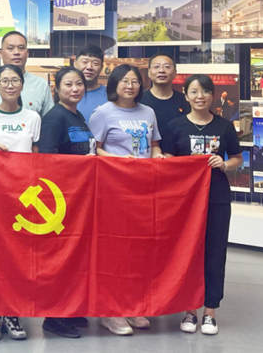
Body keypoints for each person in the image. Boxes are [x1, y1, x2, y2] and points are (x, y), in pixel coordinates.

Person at [164, 74, 242, 336]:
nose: (200, 96)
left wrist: (225, 164)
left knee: (215, 253)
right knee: (188, 253)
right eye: (194, 91)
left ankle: (210, 312)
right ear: (186, 96)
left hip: (217, 198)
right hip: (185, 201)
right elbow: (167, 158)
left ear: (212, 96)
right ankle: (190, 309)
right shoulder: (175, 126)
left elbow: (238, 158)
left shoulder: (224, 126)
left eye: (205, 91)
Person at [88, 64, 162, 335]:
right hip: (113, 189)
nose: (130, 86)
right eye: (124, 81)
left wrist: (158, 158)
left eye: (135, 81)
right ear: (114, 84)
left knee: (137, 250)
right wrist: (119, 161)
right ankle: (110, 312)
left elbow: (154, 145)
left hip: (143, 191)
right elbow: (93, 150)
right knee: (114, 251)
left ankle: (131, 306)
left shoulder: (148, 112)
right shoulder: (102, 113)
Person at [0, 64, 40, 341]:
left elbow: (36, 157)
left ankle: (14, 312)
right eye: (4, 81)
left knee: (21, 256)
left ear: (22, 85)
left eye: (15, 80)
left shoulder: (33, 118)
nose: (10, 85)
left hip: (25, 197)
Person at [38, 67, 96, 339]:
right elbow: (48, 161)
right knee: (60, 259)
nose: (75, 89)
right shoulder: (54, 118)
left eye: (79, 84)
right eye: (69, 84)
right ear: (57, 88)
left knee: (75, 257)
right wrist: (81, 165)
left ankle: (69, 309)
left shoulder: (78, 115)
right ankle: (54, 317)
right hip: (62, 199)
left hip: (79, 198)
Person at [0, 31, 54, 117]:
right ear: (1, 54)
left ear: (27, 53)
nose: (16, 52)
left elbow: (49, 121)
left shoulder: (41, 84)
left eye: (21, 48)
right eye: (10, 48)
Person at [140, 53, 190, 151]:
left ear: (175, 72)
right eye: (156, 67)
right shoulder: (139, 101)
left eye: (167, 67)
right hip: (146, 155)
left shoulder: (186, 101)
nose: (161, 70)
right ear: (149, 72)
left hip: (179, 156)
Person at [74, 45, 107, 122]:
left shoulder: (111, 95)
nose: (89, 67)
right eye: (85, 62)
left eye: (95, 63)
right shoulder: (67, 94)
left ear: (102, 67)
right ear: (75, 64)